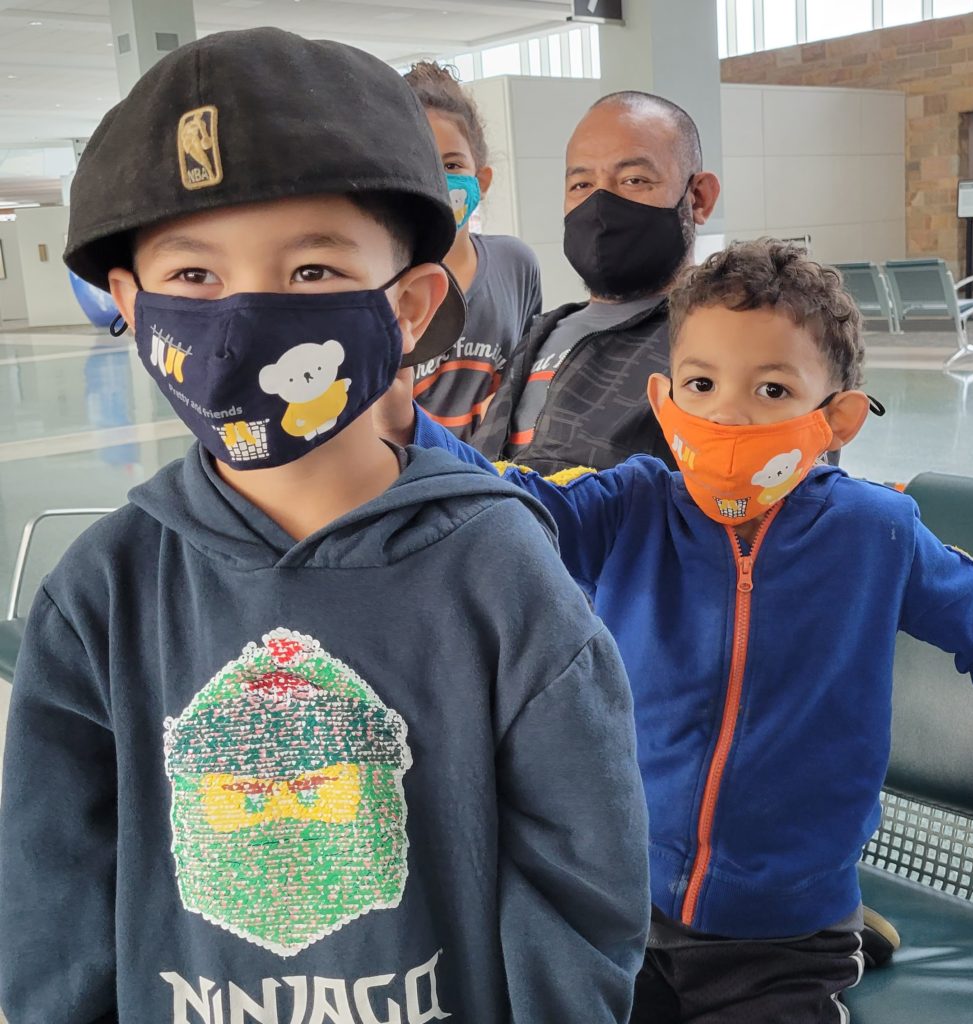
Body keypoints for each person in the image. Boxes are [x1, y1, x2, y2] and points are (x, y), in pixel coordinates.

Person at [0, 28, 651, 1022]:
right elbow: (53, 902)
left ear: (410, 304)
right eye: (193, 279)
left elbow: (581, 886)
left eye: (310, 273)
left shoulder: (503, 576)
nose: (247, 314)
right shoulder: (103, 594)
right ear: (131, 309)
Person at [377, 239, 973, 1022]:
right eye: (703, 384)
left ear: (838, 419)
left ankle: (849, 939)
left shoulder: (876, 532)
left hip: (786, 933)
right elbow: (507, 507)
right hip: (619, 903)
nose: (728, 413)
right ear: (665, 398)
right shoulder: (632, 502)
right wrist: (406, 424)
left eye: (774, 388)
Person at [471, 89, 721, 475]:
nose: (601, 205)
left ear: (699, 198)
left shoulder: (721, 340)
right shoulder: (541, 333)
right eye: (582, 185)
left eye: (634, 180)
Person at [404, 61, 542, 440]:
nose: (436, 181)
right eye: (420, 166)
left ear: (481, 179)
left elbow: (523, 379)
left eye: (451, 164)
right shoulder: (381, 282)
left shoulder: (515, 265)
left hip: (496, 476)